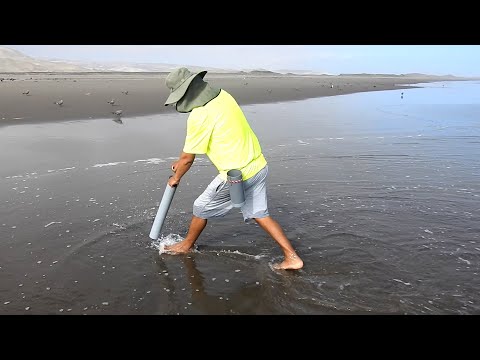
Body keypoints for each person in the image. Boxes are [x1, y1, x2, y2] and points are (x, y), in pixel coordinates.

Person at [163, 67, 303, 270]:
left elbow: (187, 159)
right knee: (260, 214)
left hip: (237, 174)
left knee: (200, 207)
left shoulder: (199, 115)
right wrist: (181, 162)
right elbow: (191, 152)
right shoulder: (224, 96)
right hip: (258, 165)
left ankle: (186, 246)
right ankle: (292, 258)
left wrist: (176, 177)